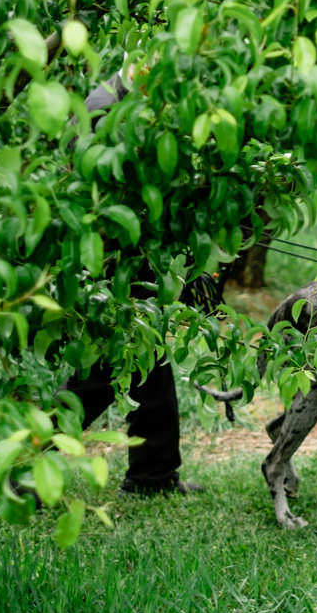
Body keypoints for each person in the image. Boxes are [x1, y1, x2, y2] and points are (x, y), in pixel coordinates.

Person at [61, 62, 208, 496]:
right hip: (111, 260)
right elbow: (100, 185)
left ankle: (153, 475)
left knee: (152, 366)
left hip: (134, 254)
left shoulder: (132, 101)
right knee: (98, 377)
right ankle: (24, 466)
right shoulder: (105, 108)